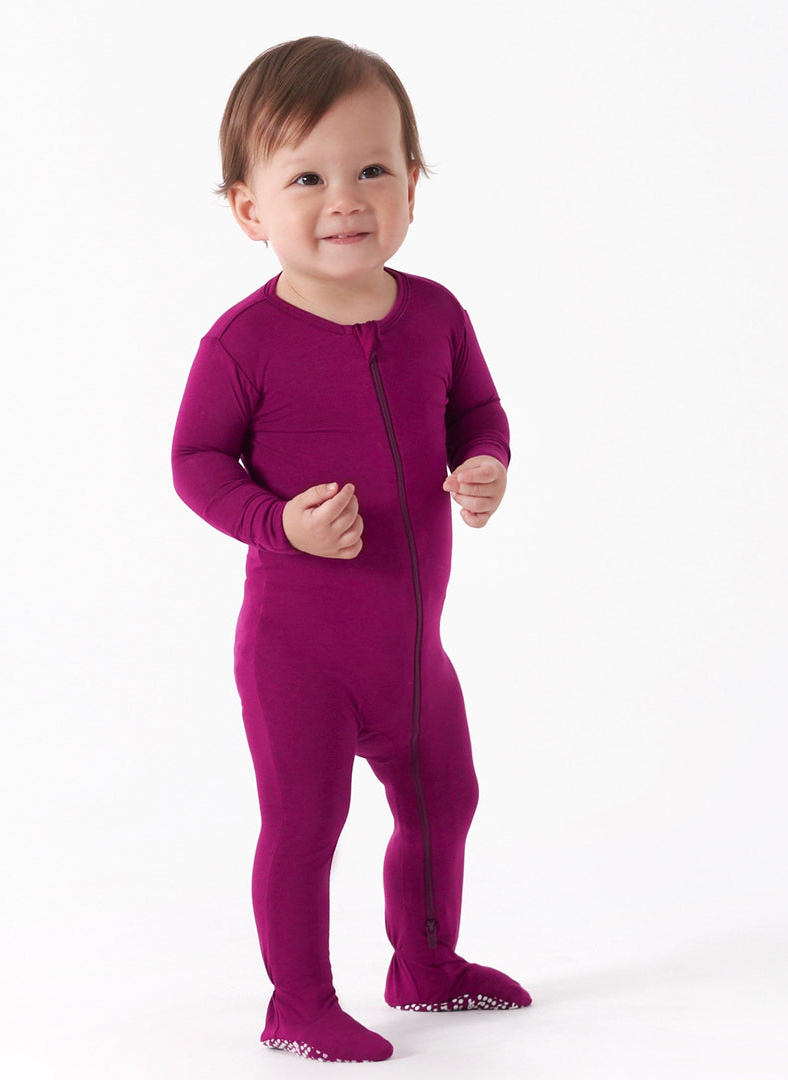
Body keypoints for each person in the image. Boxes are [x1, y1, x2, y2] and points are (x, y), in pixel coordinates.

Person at [171, 36, 531, 1063]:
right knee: (306, 825)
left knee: (446, 800)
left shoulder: (437, 315)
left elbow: (478, 414)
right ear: (249, 209)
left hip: (412, 652)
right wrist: (277, 523)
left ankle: (427, 966)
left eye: (372, 168)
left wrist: (484, 465)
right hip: (301, 655)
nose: (345, 200)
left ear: (412, 183)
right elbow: (196, 462)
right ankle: (298, 1005)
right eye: (308, 179)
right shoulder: (243, 343)